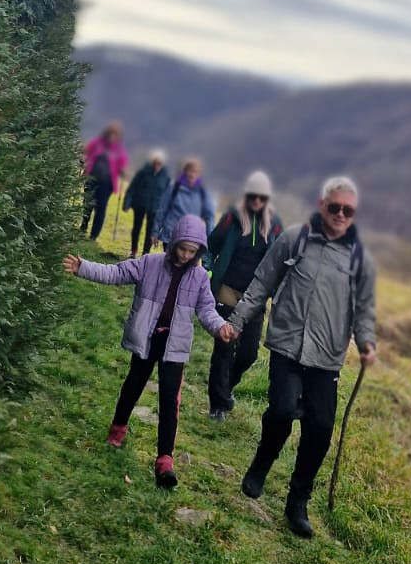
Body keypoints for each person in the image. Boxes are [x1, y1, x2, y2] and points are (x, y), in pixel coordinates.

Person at [227, 175, 377, 538]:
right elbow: (262, 282)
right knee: (281, 410)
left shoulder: (360, 260)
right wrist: (236, 320)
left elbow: (364, 311)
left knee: (320, 430)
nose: (340, 214)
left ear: (354, 214)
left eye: (348, 210)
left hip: (326, 356)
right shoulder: (295, 238)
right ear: (322, 205)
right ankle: (262, 463)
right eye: (335, 207)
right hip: (287, 345)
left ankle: (297, 502)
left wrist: (367, 342)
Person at [63, 214, 234, 488]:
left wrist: (219, 327)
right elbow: (116, 273)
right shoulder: (150, 263)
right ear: (174, 243)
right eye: (182, 248)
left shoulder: (200, 277)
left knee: (169, 400)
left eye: (192, 251)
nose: (185, 255)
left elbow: (206, 309)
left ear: (198, 251)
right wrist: (83, 268)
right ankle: (118, 428)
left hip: (174, 346)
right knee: (134, 384)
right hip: (147, 339)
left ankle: (165, 460)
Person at [206, 170, 283, 421]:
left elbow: (281, 258)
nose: (257, 201)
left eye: (262, 197)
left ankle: (227, 386)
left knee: (249, 353)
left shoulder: (275, 224)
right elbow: (211, 244)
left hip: (255, 297)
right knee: (225, 348)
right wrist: (207, 266)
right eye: (253, 196)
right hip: (227, 289)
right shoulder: (232, 217)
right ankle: (217, 405)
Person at [80, 121, 128, 242]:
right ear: (107, 134)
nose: (113, 138)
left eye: (115, 135)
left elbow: (122, 163)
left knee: (100, 209)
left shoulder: (118, 150)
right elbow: (86, 151)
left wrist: (122, 171)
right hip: (91, 178)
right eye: (111, 134)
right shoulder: (97, 143)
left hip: (107, 184)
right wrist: (83, 158)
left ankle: (94, 235)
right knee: (87, 205)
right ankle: (83, 227)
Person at [155, 157, 214, 248]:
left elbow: (209, 216)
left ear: (199, 174)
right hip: (170, 235)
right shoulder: (174, 187)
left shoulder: (202, 192)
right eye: (190, 171)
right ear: (185, 171)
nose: (192, 174)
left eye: (195, 172)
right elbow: (162, 209)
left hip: (191, 236)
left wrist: (210, 238)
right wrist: (155, 232)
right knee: (169, 257)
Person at [123, 149, 171, 257]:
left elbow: (167, 195)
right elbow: (132, 187)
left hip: (155, 208)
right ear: (153, 161)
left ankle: (145, 254)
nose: (158, 165)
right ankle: (133, 250)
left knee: (150, 232)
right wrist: (127, 203)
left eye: (160, 163)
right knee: (136, 228)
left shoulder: (165, 177)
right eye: (156, 162)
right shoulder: (143, 172)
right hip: (140, 204)